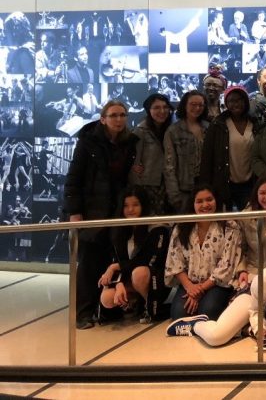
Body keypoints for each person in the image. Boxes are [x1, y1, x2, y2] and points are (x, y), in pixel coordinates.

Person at [168, 231, 266, 346]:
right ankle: (196, 325)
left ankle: (245, 330)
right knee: (216, 338)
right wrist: (260, 331)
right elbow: (255, 310)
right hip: (252, 302)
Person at [64, 100, 139, 329]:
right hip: (92, 212)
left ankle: (106, 309)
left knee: (111, 259)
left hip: (116, 211)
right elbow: (74, 179)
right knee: (88, 264)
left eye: (123, 115)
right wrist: (75, 212)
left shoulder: (129, 142)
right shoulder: (88, 143)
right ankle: (83, 313)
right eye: (114, 115)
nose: (119, 119)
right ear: (103, 118)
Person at [164, 183, 242, 321]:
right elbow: (175, 262)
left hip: (216, 284)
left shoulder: (229, 226)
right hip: (190, 283)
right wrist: (190, 288)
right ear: (192, 204)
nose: (205, 205)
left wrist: (200, 290)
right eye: (199, 201)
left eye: (209, 199)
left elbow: (226, 265)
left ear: (216, 201)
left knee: (208, 312)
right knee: (178, 315)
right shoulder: (181, 228)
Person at [98, 185, 171, 323]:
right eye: (126, 206)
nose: (130, 210)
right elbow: (118, 258)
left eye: (135, 205)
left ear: (144, 205)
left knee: (139, 273)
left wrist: (115, 267)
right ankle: (132, 304)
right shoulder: (119, 229)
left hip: (154, 277)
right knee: (106, 298)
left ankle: (149, 307)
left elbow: (148, 261)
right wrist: (118, 283)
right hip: (127, 275)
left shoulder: (156, 228)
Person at [200, 85, 257, 211]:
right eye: (231, 101)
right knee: (225, 223)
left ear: (246, 101)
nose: (235, 104)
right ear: (226, 103)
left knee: (248, 222)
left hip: (249, 185)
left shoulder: (255, 123)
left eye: (239, 100)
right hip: (224, 184)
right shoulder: (218, 124)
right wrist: (206, 186)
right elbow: (207, 157)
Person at [163, 90, 209, 213]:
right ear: (184, 105)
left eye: (201, 105)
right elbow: (169, 166)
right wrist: (174, 195)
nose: (197, 108)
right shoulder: (173, 131)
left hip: (206, 188)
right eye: (193, 104)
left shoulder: (208, 128)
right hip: (183, 191)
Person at [129, 93, 174, 215]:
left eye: (165, 107)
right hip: (147, 185)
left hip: (168, 184)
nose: (162, 111)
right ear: (149, 110)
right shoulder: (140, 131)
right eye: (156, 108)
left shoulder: (171, 129)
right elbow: (135, 163)